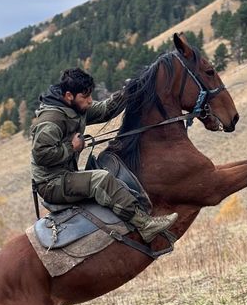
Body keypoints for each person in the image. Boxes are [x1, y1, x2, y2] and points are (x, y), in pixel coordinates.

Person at [30, 68, 177, 243]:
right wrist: (72, 147)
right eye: (85, 96)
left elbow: (105, 110)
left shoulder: (74, 107)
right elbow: (42, 155)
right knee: (101, 179)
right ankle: (145, 225)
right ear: (69, 95)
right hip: (51, 183)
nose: (90, 101)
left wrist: (127, 92)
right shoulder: (51, 120)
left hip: (64, 175)